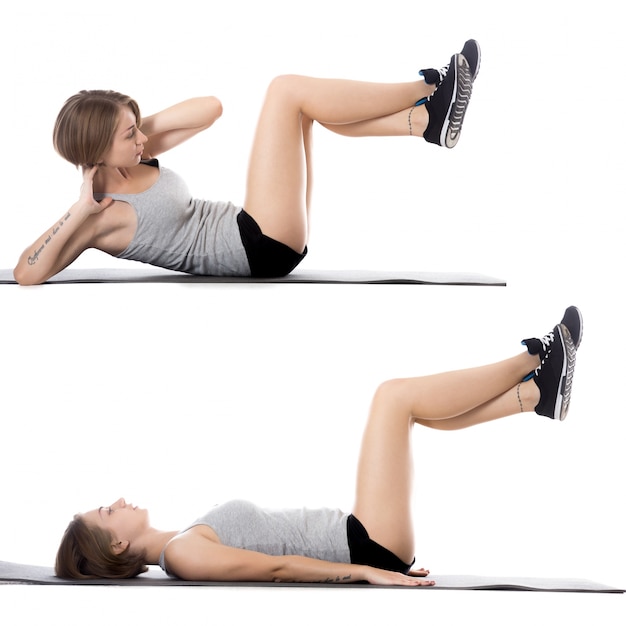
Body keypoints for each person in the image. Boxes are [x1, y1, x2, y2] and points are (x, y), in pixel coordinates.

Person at [55, 306, 582, 586]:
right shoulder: (183, 554)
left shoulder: (184, 541)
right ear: (116, 546)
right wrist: (369, 573)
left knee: (411, 411)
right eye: (108, 511)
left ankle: (536, 394)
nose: (118, 500)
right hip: (365, 544)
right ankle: (532, 358)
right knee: (394, 399)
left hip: (364, 536)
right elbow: (278, 570)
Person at [13, 40, 480, 286]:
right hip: (258, 244)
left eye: (136, 129)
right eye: (128, 134)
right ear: (97, 149)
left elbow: (210, 108)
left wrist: (134, 130)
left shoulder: (138, 156)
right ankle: (426, 88)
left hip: (258, 232)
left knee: (310, 112)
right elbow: (26, 272)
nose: (140, 139)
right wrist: (79, 208)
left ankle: (424, 123)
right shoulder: (101, 215)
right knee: (287, 90)